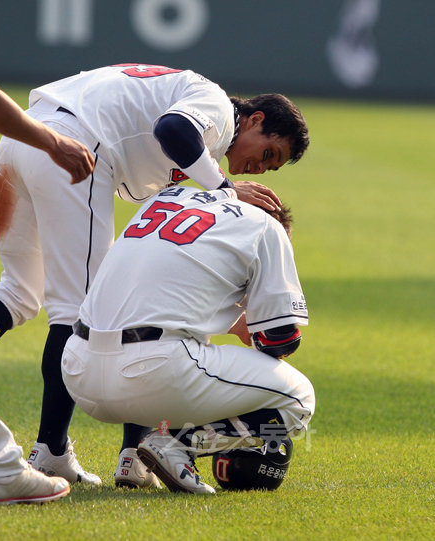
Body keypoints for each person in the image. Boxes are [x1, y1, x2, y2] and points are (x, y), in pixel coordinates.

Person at [0, 62, 310, 488]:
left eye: (271, 167)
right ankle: (52, 452)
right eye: (268, 153)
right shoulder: (218, 109)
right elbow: (172, 129)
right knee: (83, 310)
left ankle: (129, 457)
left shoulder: (198, 146)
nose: (259, 169)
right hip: (75, 147)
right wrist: (224, 189)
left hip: (22, 139)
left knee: (18, 293)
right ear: (255, 119)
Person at [61, 185, 315, 494]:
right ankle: (177, 445)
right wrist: (258, 324)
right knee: (299, 398)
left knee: (189, 350)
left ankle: (134, 458)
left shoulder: (168, 200)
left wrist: (235, 322)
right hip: (153, 372)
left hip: (77, 372)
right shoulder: (267, 228)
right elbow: (281, 341)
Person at [0, 19, 94, 504]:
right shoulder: (200, 104)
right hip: (53, 143)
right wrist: (50, 142)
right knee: (75, 304)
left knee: (20, 293)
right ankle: (29, 455)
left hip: (14, 150)